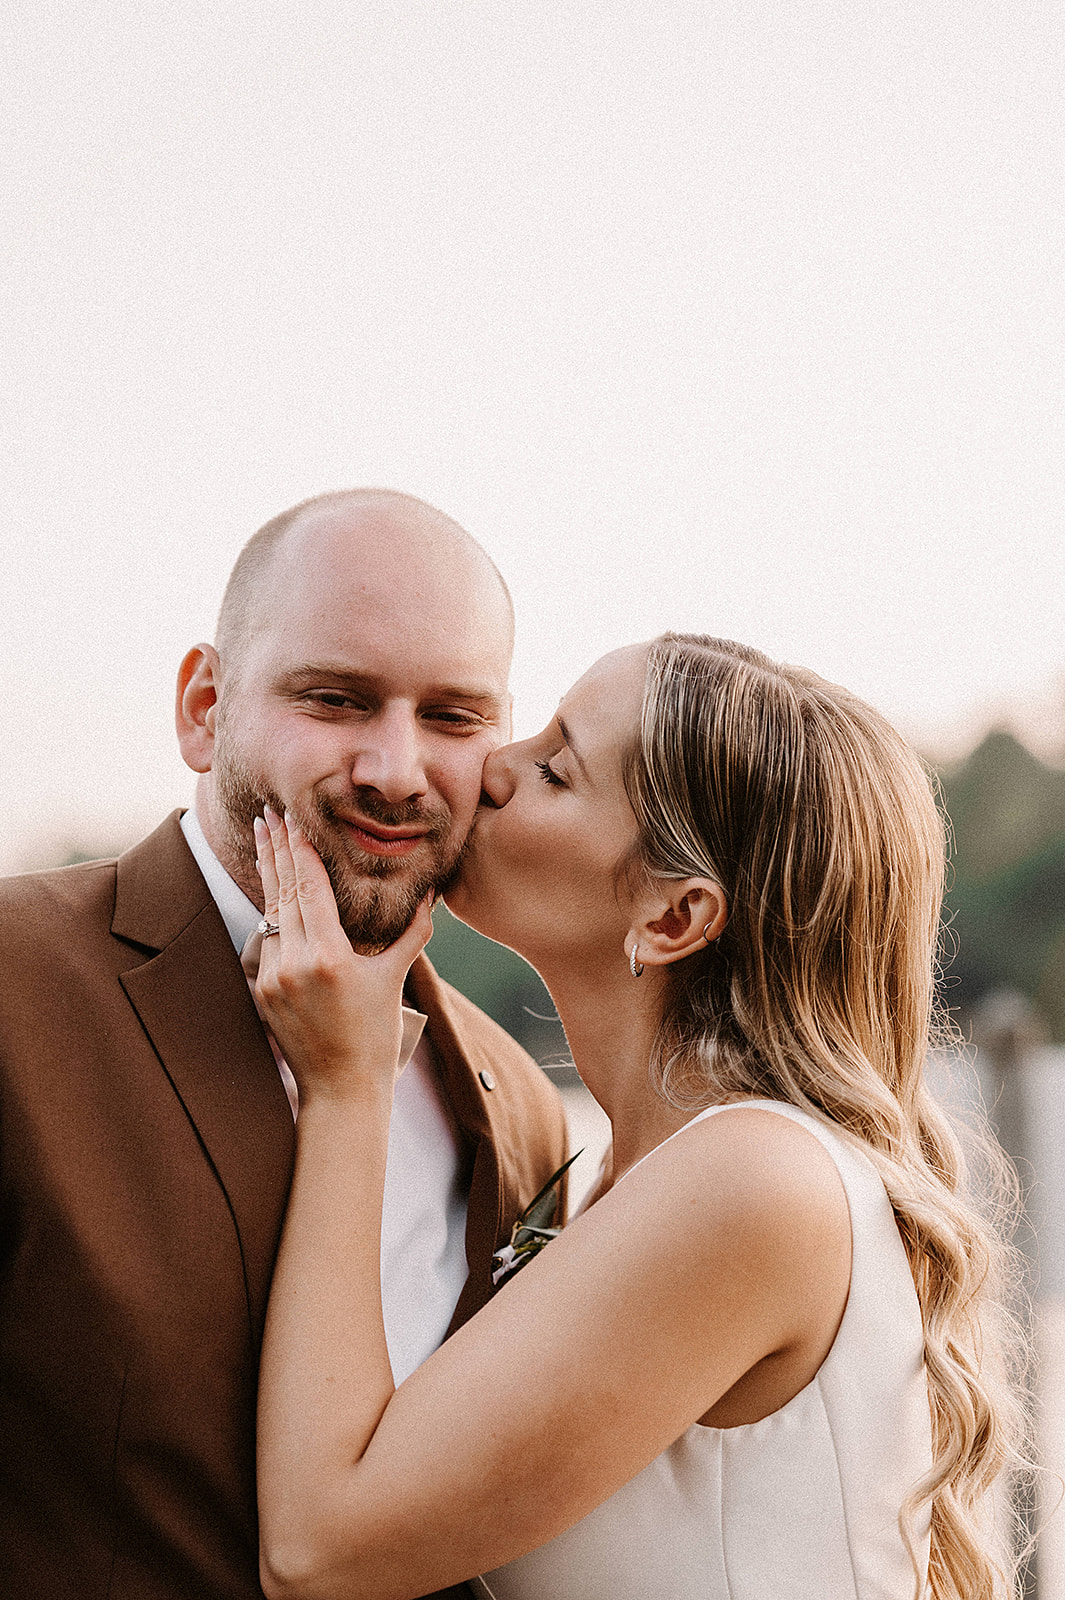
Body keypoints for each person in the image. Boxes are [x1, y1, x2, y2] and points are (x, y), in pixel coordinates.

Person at [252, 633, 1028, 1600]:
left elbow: (320, 1550)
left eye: (552, 769)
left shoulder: (754, 1184)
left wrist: (345, 1087)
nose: (489, 766)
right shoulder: (628, 1179)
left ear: (671, 918)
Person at [0, 489, 568, 1600]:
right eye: (336, 699)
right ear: (204, 708)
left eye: (454, 717)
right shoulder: (14, 982)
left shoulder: (517, 1102)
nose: (397, 769)